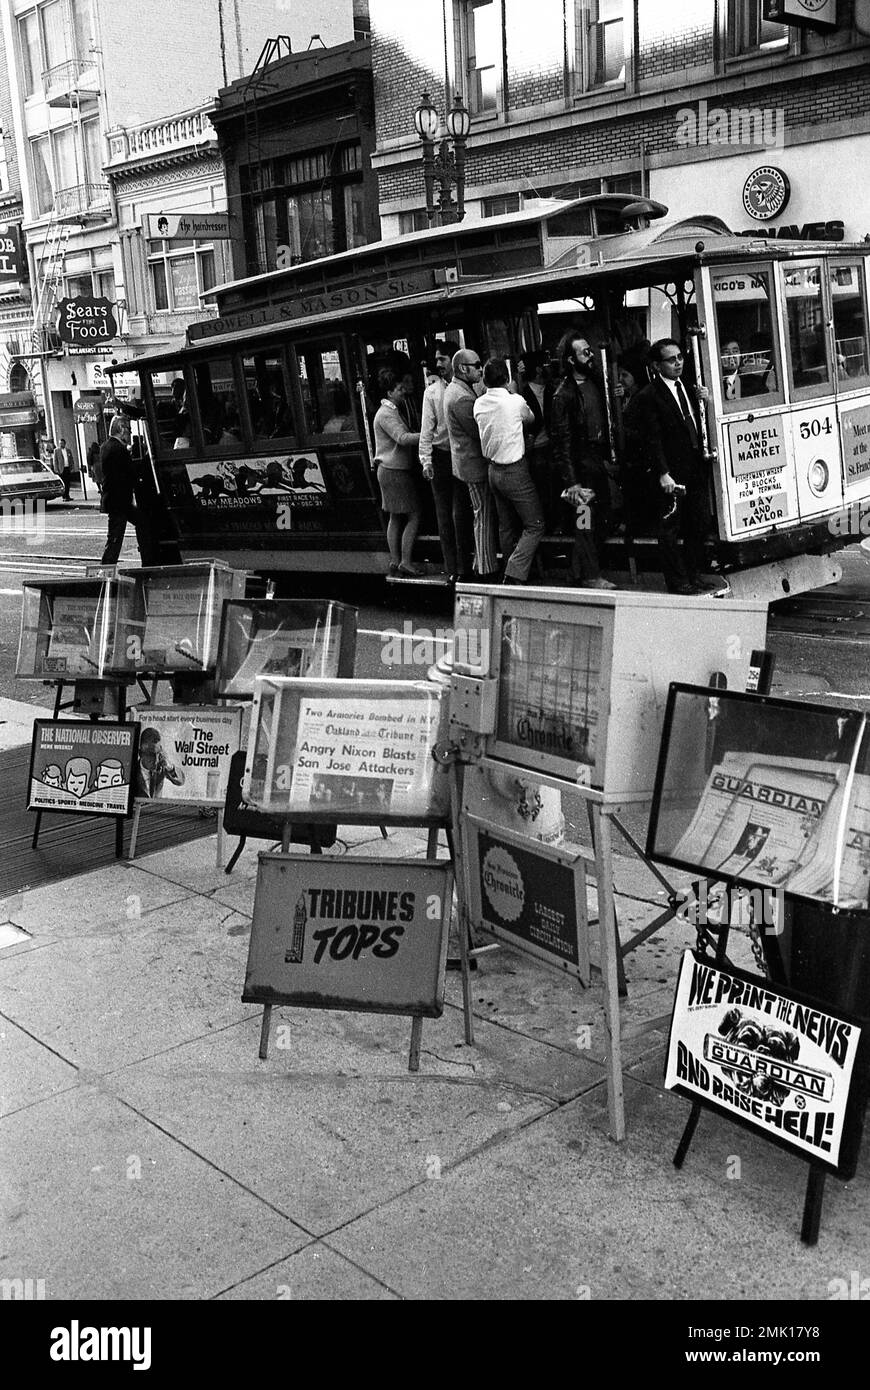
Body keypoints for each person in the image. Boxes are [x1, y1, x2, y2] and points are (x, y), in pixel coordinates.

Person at [623, 337, 719, 595]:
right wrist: (663, 473)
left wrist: (707, 400)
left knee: (698, 523)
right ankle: (677, 582)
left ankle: (694, 574)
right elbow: (652, 439)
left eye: (680, 358)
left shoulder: (687, 385)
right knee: (670, 527)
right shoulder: (649, 395)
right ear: (656, 365)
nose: (678, 363)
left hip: (695, 464)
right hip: (672, 471)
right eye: (671, 359)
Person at [550, 332, 617, 589]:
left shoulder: (596, 382)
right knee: (585, 522)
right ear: (570, 359)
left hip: (596, 461)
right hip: (581, 467)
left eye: (590, 351)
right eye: (584, 352)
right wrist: (573, 482)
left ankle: (578, 572)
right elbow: (562, 443)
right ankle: (590, 575)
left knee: (598, 518)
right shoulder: (563, 395)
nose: (590, 356)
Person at [474, 357, 544, 586]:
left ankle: (511, 566)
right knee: (535, 524)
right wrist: (514, 393)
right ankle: (514, 573)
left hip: (493, 471)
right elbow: (531, 419)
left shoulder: (479, 404)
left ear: (484, 380)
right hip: (515, 470)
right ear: (507, 378)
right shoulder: (515, 402)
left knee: (506, 526)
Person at [419, 340, 474, 581]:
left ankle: (463, 566)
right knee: (446, 515)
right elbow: (426, 430)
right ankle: (454, 569)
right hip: (442, 456)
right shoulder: (431, 392)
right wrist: (426, 461)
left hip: (458, 453)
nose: (437, 364)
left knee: (459, 514)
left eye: (441, 359)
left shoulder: (462, 388)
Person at [444, 348, 499, 582]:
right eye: (476, 365)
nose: (480, 368)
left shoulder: (454, 389)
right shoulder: (462, 397)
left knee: (479, 515)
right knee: (483, 515)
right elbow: (478, 431)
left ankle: (481, 562)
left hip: (463, 463)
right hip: (474, 466)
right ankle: (486, 568)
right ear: (463, 369)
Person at [373, 367, 423, 577]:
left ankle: (395, 560)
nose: (403, 392)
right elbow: (402, 438)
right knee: (414, 514)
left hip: (389, 471)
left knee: (395, 517)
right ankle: (405, 561)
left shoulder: (388, 411)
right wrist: (428, 435)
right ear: (390, 391)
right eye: (400, 389)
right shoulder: (386, 414)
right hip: (395, 471)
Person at [100, 415, 139, 566]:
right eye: (128, 429)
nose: (129, 433)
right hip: (120, 501)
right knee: (115, 538)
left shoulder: (106, 446)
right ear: (121, 430)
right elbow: (129, 473)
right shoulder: (119, 449)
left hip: (115, 499)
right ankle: (107, 568)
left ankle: (108, 565)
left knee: (115, 537)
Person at [136, 728, 185, 799]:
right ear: (140, 753)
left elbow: (181, 781)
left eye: (158, 754)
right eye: (151, 755)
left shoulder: (161, 768)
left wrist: (170, 767)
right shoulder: (132, 770)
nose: (156, 760)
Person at [53, 437, 75, 501]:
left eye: (62, 443)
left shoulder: (68, 450)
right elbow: (55, 461)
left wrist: (72, 467)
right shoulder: (56, 451)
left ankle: (67, 495)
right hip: (61, 469)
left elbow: (71, 459)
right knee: (63, 483)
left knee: (68, 483)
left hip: (67, 468)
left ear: (65, 444)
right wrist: (56, 469)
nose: (61, 444)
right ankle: (64, 496)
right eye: (60, 443)